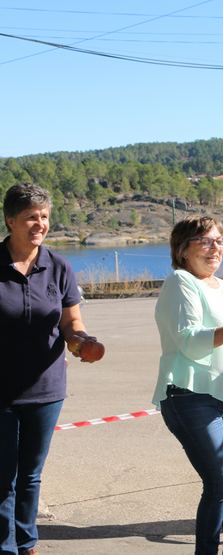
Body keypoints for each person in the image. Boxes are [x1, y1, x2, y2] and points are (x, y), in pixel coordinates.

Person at [1, 183, 102, 555]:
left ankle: (27, 542)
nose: (39, 224)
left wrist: (82, 343)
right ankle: (5, 546)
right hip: (1, 393)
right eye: (31, 217)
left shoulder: (58, 266)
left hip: (46, 390)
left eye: (44, 216)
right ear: (10, 221)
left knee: (30, 474)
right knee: (3, 477)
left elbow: (71, 322)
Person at [153, 216, 223, 555]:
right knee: (221, 481)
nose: (215, 248)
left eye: (219, 240)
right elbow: (190, 342)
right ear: (183, 250)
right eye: (205, 241)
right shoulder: (180, 281)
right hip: (189, 397)